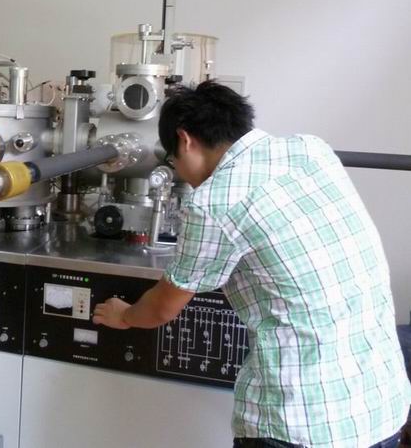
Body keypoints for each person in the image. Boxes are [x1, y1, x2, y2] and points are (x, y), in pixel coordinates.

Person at [93, 80, 411, 447]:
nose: (177, 171)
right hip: (380, 406)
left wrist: (125, 315)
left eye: (172, 160)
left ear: (185, 139)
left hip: (300, 425)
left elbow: (162, 308)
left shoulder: (214, 202)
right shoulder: (311, 149)